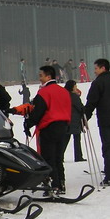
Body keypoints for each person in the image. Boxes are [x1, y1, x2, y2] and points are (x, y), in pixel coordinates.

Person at [23, 65, 72, 193]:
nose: (40, 78)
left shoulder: (44, 92)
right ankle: (61, 183)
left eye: (41, 76)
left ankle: (53, 185)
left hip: (49, 127)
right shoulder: (64, 91)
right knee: (58, 157)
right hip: (63, 126)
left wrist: (28, 123)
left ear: (48, 76)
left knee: (48, 158)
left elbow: (38, 111)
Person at [64, 80, 85, 162]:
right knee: (76, 139)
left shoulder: (64, 94)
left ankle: (60, 156)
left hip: (66, 120)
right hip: (75, 120)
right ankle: (78, 156)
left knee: (65, 139)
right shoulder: (74, 96)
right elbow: (80, 107)